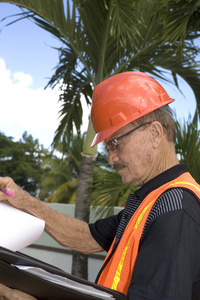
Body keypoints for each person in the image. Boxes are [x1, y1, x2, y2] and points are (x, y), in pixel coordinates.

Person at [0, 71, 200, 300]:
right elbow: (85, 237)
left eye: (115, 142)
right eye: (107, 147)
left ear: (155, 133)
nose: (111, 158)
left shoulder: (175, 210)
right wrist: (24, 201)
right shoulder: (153, 200)